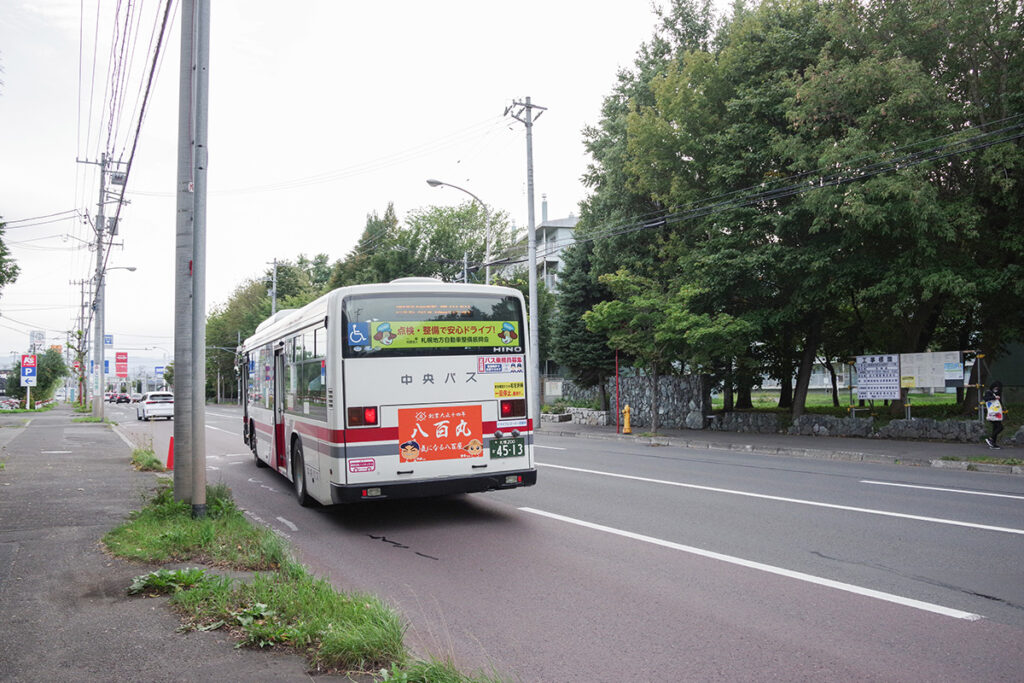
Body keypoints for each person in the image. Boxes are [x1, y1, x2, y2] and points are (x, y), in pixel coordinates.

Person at [983, 381, 1005, 449]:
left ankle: (993, 443)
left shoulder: (997, 393)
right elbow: (986, 399)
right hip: (993, 413)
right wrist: (994, 398)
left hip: (997, 413)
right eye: (996, 388)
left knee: (995, 428)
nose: (996, 390)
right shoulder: (989, 392)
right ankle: (991, 439)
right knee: (1000, 427)